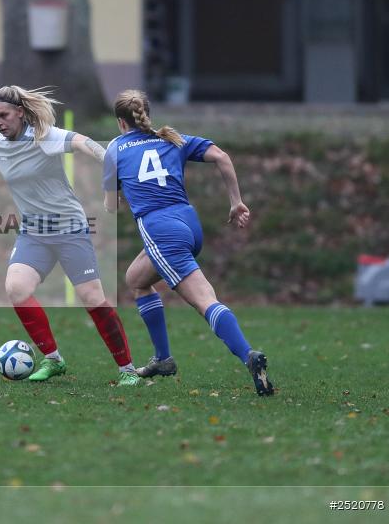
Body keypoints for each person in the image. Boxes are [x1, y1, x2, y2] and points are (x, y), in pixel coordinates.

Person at [0, 86, 140, 386]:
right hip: (34, 233)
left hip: (69, 229)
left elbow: (83, 142)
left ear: (20, 112)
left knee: (93, 298)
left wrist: (111, 160)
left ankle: (127, 369)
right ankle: (53, 360)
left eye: (3, 116)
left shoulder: (44, 135)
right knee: (16, 288)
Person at [103, 89, 274, 396]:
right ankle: (163, 358)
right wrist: (236, 203)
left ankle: (248, 354)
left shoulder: (115, 148)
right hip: (189, 224)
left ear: (120, 122)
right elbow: (221, 157)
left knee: (205, 300)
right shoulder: (172, 138)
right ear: (147, 114)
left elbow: (110, 207)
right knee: (136, 279)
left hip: (161, 230)